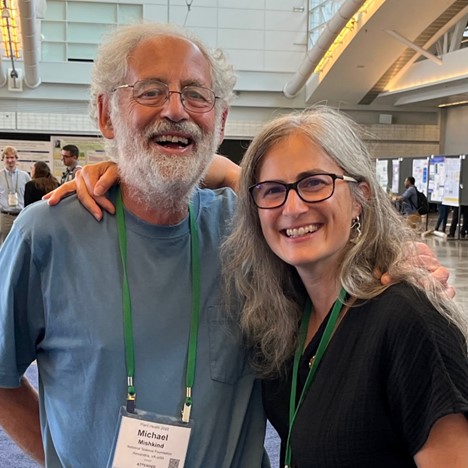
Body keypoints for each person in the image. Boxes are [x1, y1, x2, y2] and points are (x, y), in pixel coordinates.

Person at [0, 23, 268, 467]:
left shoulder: (251, 230)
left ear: (219, 123)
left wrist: (236, 175)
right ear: (107, 114)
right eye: (151, 91)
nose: (177, 110)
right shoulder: (46, 234)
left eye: (196, 94)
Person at [221, 107, 468, 467]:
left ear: (359, 198)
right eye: (273, 190)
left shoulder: (406, 319)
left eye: (314, 183)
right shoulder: (287, 317)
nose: (292, 207)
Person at [0, 145, 31, 244]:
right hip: (5, 216)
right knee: (4, 244)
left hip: (22, 215)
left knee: (21, 243)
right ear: (3, 159)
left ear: (16, 159)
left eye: (12, 157)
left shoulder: (25, 176)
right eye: (7, 157)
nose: (10, 160)